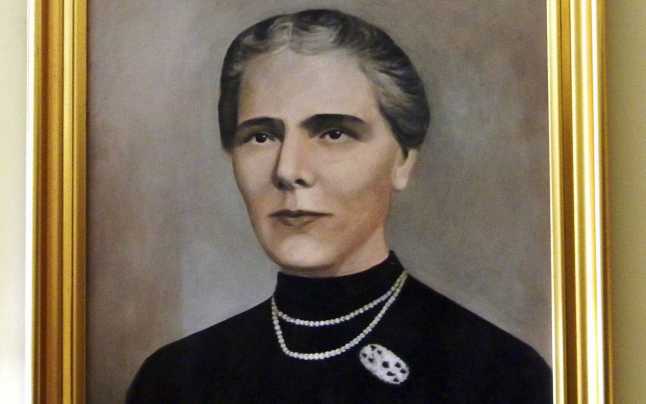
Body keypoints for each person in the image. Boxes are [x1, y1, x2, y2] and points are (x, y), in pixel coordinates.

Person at [127, 9, 552, 403]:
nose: (288, 170)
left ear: (403, 160)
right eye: (261, 136)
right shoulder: (173, 380)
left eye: (333, 133)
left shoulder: (499, 374)